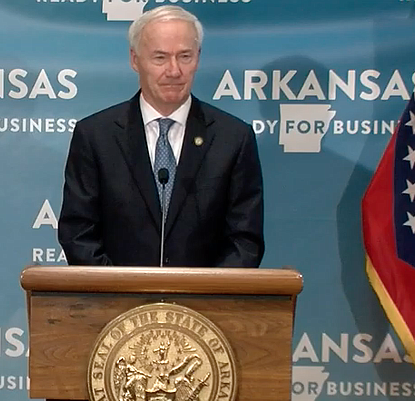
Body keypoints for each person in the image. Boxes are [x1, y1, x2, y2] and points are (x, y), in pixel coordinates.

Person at [58, 5, 264, 267]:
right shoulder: (96, 136)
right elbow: (78, 234)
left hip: (204, 305)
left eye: (185, 56)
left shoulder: (233, 138)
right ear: (135, 60)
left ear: (198, 58)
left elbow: (245, 241)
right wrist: (124, 295)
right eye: (160, 58)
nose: (174, 70)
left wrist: (202, 298)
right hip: (116, 303)